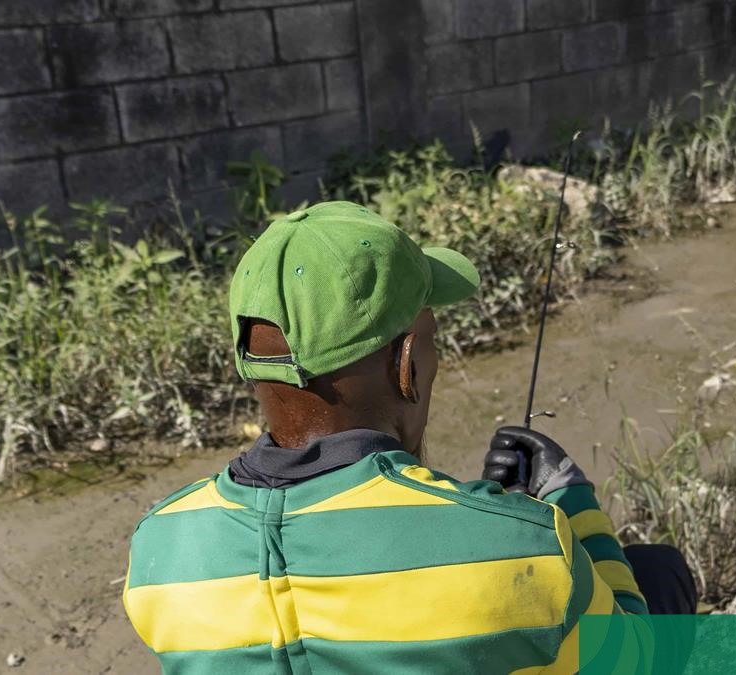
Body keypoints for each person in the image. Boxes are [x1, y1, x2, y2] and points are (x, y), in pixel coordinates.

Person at [122, 201, 696, 674]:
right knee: (658, 573)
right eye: (431, 339)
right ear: (407, 366)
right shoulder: (526, 547)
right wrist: (571, 504)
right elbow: (632, 661)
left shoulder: (159, 550)